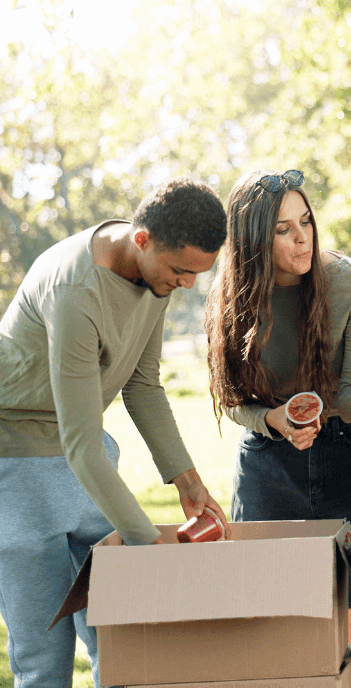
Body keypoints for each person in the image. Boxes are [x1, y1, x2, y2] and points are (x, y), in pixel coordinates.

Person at [204, 169, 351, 688]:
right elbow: (233, 398)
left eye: (305, 221)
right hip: (270, 460)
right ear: (251, 243)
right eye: (284, 229)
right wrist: (272, 420)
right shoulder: (233, 297)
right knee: (275, 621)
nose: (302, 236)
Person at [0, 177, 230, 687]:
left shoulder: (157, 276)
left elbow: (143, 386)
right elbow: (80, 444)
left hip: (85, 465)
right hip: (15, 464)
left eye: (198, 273)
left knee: (123, 633)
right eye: (181, 271)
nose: (188, 284)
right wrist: (150, 548)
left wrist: (189, 483)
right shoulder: (75, 290)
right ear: (141, 239)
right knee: (43, 654)